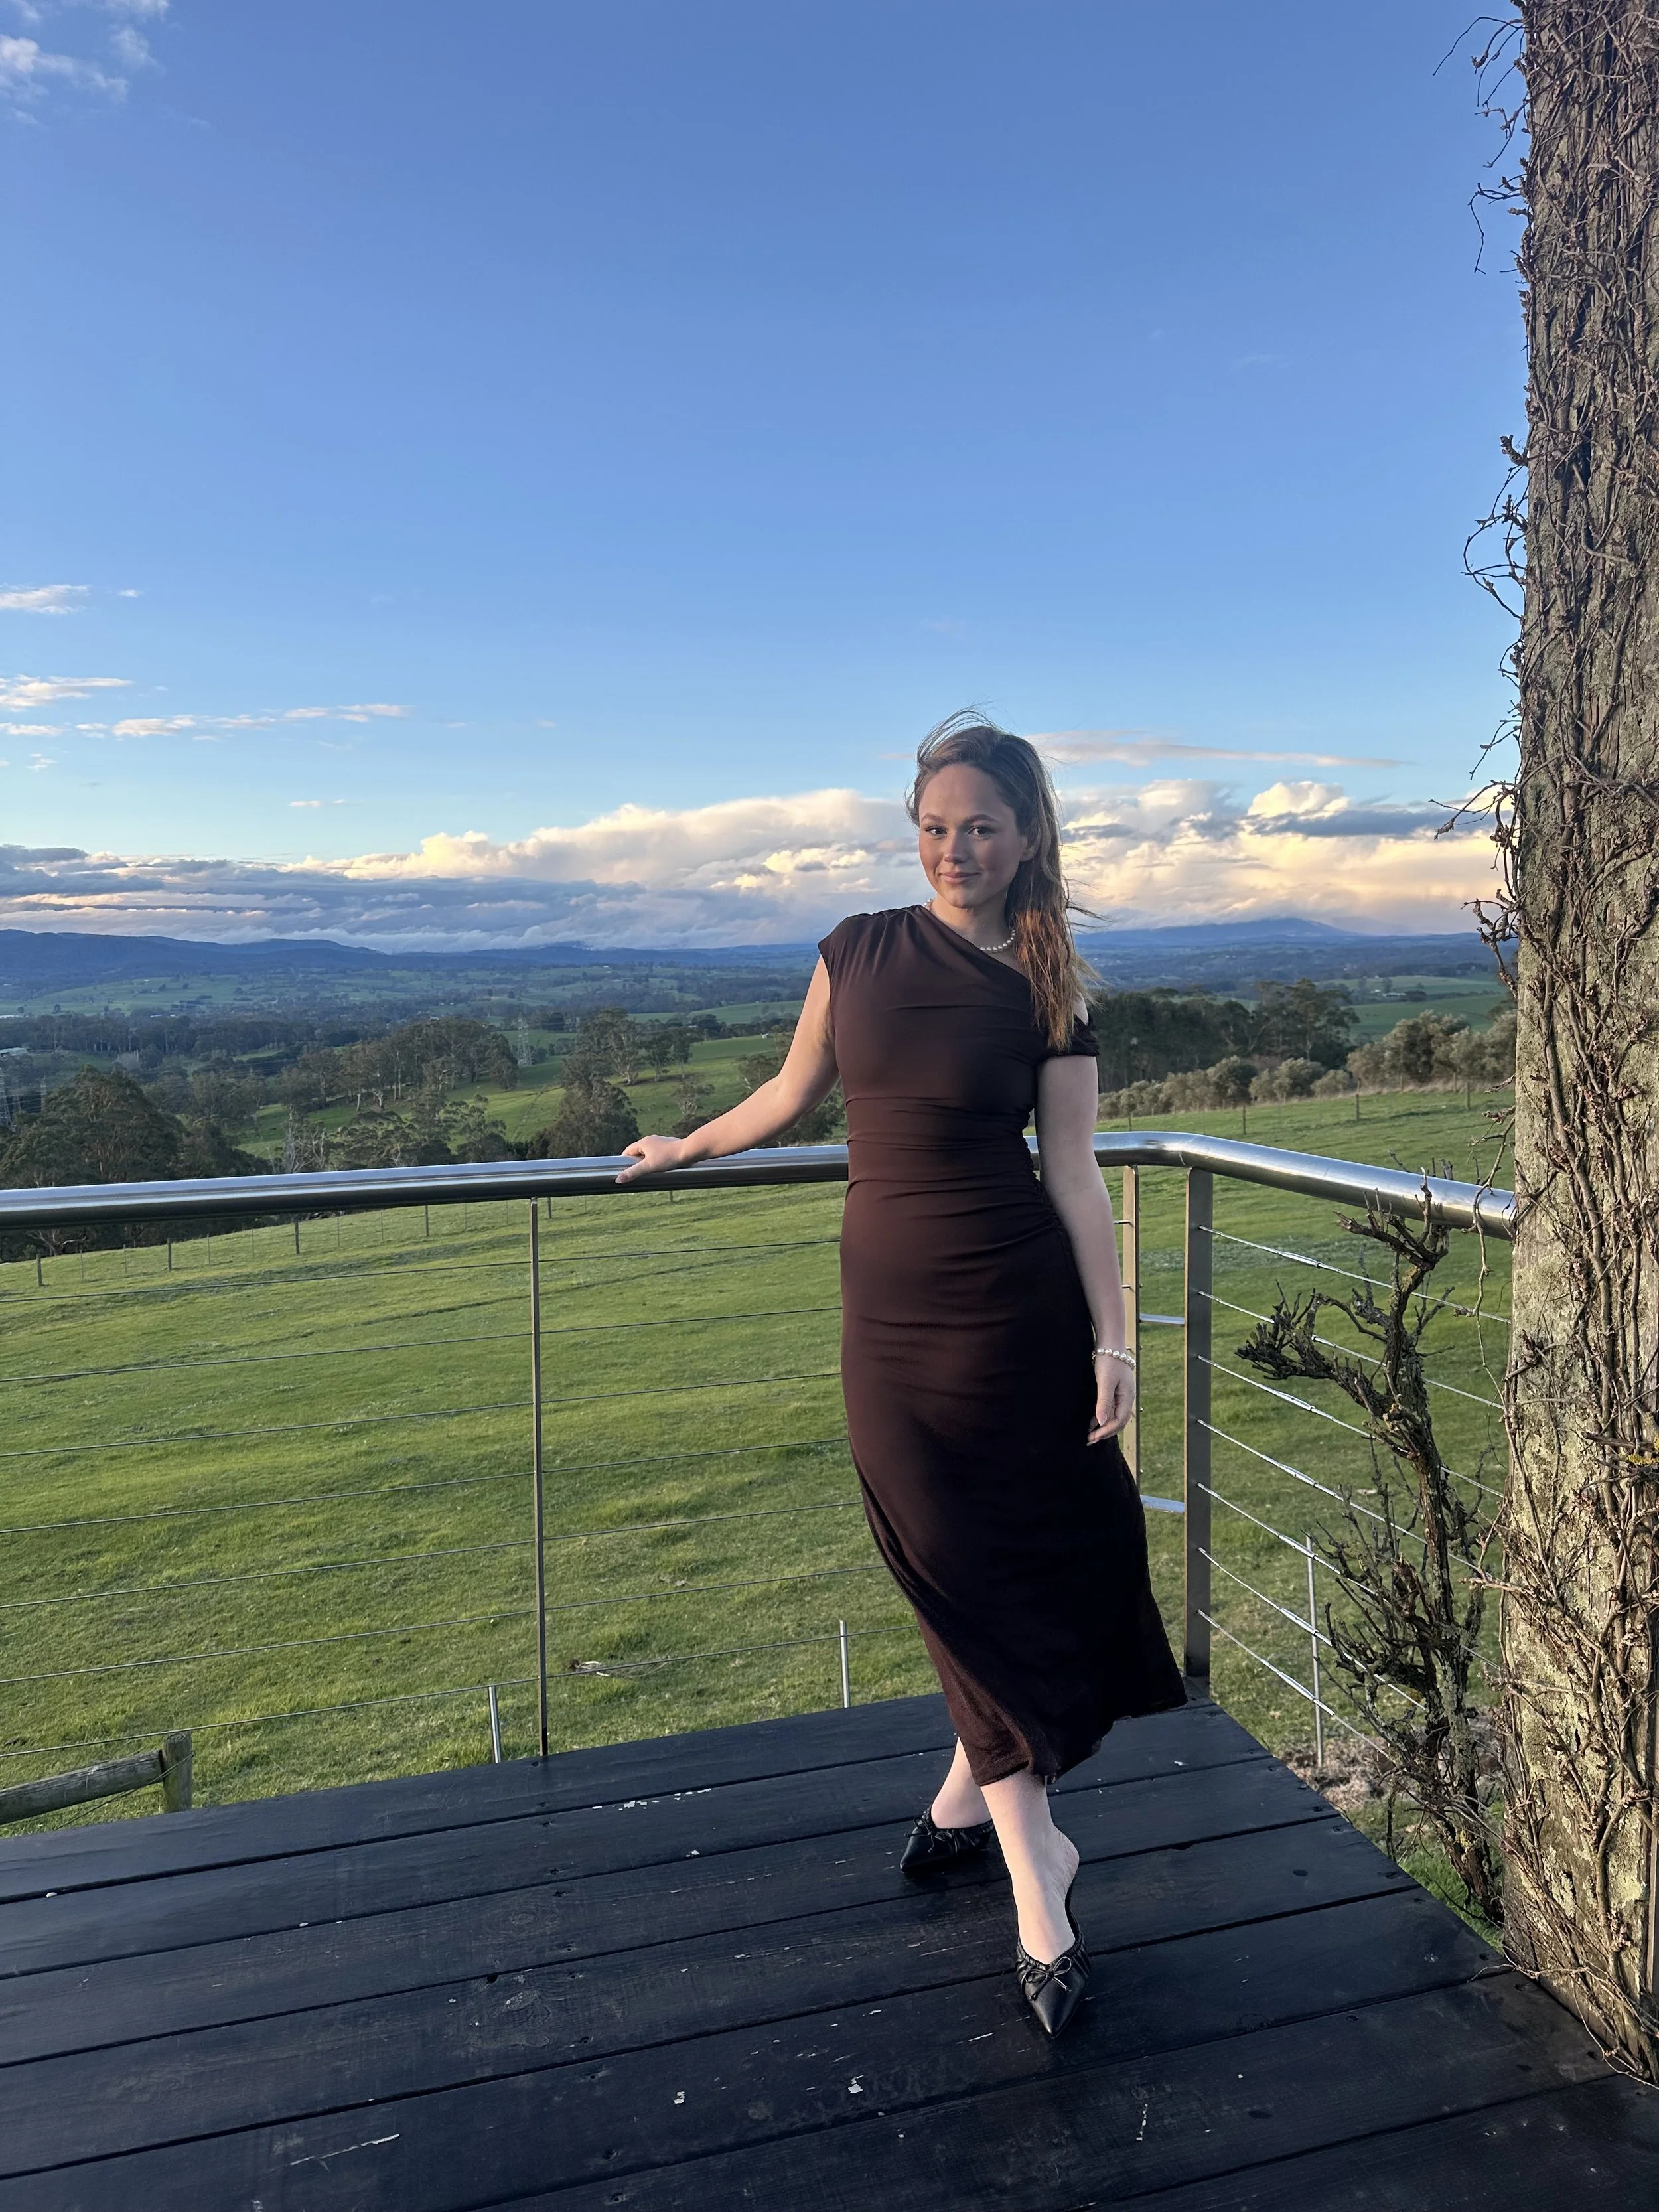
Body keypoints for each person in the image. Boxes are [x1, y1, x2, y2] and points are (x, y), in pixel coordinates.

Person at [619, 713, 1185, 2036]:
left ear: (1027, 836)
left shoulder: (1051, 989)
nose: (953, 850)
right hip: (887, 1328)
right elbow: (790, 1093)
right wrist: (689, 1145)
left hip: (1017, 1317)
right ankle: (1004, 1824)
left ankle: (1028, 1870)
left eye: (979, 827)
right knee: (937, 1559)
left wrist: (1113, 1341)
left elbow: (1074, 1177)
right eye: (934, 828)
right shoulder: (855, 949)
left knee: (996, 1569)